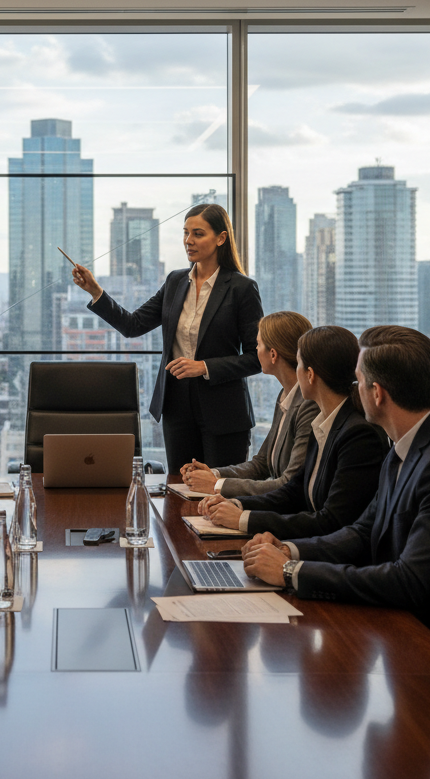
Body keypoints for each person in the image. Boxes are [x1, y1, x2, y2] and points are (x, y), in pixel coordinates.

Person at [241, 325, 430, 653]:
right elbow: (363, 531)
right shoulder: (405, 446)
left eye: (359, 382)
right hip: (414, 630)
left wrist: (290, 572)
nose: (355, 390)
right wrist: (290, 550)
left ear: (377, 393)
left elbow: (408, 581)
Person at [71, 203, 263, 472]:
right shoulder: (175, 282)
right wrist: (95, 291)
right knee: (179, 488)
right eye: (185, 233)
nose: (188, 241)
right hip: (176, 406)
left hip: (224, 411)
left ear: (221, 238)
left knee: (219, 493)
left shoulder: (242, 288)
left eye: (198, 233)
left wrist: (204, 367)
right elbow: (133, 325)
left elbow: (258, 358)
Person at [198, 325, 385, 538]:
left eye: (299, 364)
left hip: (326, 552)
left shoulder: (358, 435)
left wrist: (243, 519)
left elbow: (332, 521)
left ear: (310, 375)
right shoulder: (323, 423)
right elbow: (293, 491)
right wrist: (237, 504)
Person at [179, 310, 318, 496]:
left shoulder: (308, 404)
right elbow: (262, 464)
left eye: (258, 344)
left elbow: (289, 484)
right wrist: (213, 473)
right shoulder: (285, 395)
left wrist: (216, 485)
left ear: (273, 355)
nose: (255, 350)